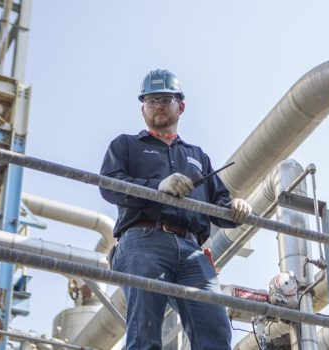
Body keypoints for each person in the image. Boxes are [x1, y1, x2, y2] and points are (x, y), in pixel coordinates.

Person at [100, 68, 251, 349]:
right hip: (144, 242)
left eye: (165, 100)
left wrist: (236, 207)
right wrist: (158, 187)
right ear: (142, 109)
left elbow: (220, 202)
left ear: (180, 107)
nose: (157, 105)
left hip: (192, 251)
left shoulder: (197, 156)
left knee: (215, 330)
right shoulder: (126, 145)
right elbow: (109, 186)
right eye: (151, 100)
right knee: (145, 331)